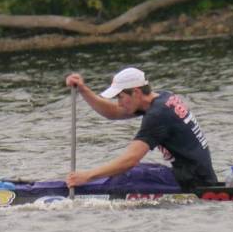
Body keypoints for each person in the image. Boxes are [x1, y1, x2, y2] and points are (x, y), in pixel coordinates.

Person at [64, 67, 217, 191]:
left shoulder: (158, 115)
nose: (119, 103)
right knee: (132, 172)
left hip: (192, 183)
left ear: (136, 92)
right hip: (196, 175)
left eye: (120, 97)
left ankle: (91, 189)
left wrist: (87, 176)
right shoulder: (163, 97)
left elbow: (130, 160)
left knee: (127, 175)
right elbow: (113, 112)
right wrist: (83, 90)